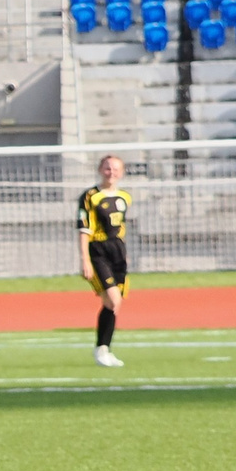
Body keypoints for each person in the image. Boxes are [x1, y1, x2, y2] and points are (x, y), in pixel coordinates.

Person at [78, 152, 130, 367]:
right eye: (108, 168)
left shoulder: (125, 197)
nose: (111, 172)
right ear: (100, 170)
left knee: (113, 304)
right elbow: (83, 229)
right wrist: (85, 260)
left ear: (122, 172)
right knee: (113, 300)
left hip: (118, 251)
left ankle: (103, 349)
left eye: (116, 169)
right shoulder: (90, 196)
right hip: (97, 250)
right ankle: (102, 350)